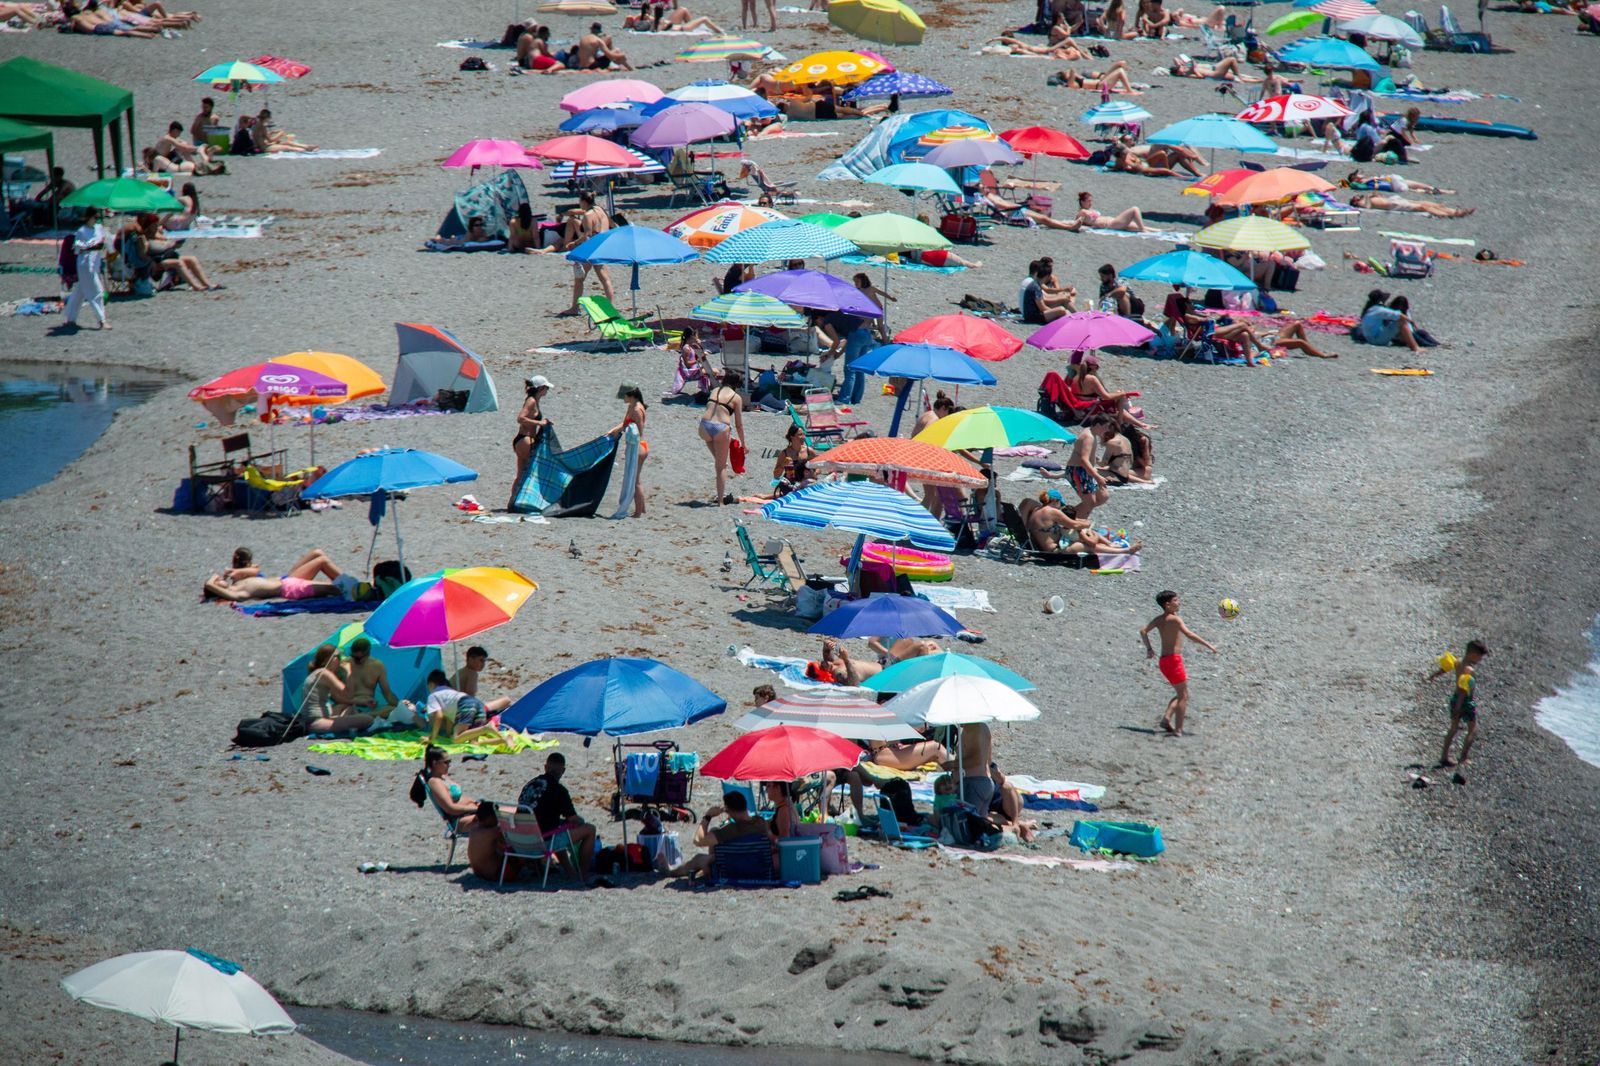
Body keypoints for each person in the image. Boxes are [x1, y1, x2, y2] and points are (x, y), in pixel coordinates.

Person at [1140, 590, 1218, 736]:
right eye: (1176, 600)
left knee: (1181, 693)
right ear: (1167, 604)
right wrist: (1209, 645)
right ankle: (1178, 729)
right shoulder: (1175, 620)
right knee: (1183, 696)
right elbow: (1189, 634)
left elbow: (1143, 631)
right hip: (1174, 661)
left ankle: (1167, 718)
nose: (1179, 602)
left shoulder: (1158, 619)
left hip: (1163, 662)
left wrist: (1149, 649)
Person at [518, 752, 598, 879]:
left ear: (545, 767)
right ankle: (582, 875)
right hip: (541, 842)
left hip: (520, 839)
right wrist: (582, 821)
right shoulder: (559, 790)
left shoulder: (530, 785)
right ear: (563, 771)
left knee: (558, 827)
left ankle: (570, 872)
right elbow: (573, 819)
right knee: (589, 829)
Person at [667, 791, 776, 880]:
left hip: (732, 870)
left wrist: (707, 816)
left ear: (728, 810)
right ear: (745, 805)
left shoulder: (729, 830)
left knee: (698, 858)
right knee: (708, 856)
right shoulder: (762, 823)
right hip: (759, 869)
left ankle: (670, 872)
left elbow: (698, 840)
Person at [202, 548, 348, 601]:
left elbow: (256, 571)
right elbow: (208, 584)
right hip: (290, 588)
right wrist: (214, 579)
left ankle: (353, 586)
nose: (220, 579)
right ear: (217, 591)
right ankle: (355, 587)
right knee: (324, 566)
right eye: (218, 582)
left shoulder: (236, 583)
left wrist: (236, 572)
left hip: (287, 580)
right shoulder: (236, 593)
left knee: (317, 553)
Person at [1429, 640, 1488, 771]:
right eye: (1480, 657)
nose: (1480, 660)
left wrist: (1434, 675)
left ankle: (1444, 756)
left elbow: (1445, 668)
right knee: (1473, 728)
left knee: (1453, 728)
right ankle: (1463, 757)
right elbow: (1463, 689)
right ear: (1473, 655)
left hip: (1455, 699)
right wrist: (1460, 706)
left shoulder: (1458, 662)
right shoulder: (1469, 670)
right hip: (1466, 701)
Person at [410, 747, 498, 833]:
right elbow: (450, 808)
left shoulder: (443, 777)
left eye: (449, 761)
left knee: (504, 815)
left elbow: (459, 798)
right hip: (459, 820)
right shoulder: (435, 782)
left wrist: (476, 803)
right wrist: (475, 808)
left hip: (470, 813)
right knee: (501, 822)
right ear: (434, 763)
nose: (449, 765)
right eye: (446, 762)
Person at [558, 191, 615, 314]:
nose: (579, 204)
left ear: (584, 201)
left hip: (592, 249)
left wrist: (575, 243)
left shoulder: (588, 215)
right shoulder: (601, 210)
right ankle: (611, 307)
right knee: (605, 279)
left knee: (579, 278)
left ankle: (574, 308)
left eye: (580, 201)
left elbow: (587, 235)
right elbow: (612, 225)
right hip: (603, 246)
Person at [699, 370, 747, 505]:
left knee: (721, 461)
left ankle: (722, 493)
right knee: (720, 467)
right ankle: (720, 501)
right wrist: (744, 444)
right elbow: (739, 425)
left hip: (704, 428)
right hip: (720, 429)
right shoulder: (736, 397)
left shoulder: (715, 391)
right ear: (737, 384)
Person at [140, 213, 221, 292]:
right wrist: (168, 245)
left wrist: (171, 243)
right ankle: (195, 286)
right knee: (177, 263)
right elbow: (143, 255)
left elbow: (164, 240)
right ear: (149, 226)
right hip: (154, 264)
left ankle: (207, 284)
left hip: (163, 258)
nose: (156, 227)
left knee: (191, 259)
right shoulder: (144, 238)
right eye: (154, 226)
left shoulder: (155, 234)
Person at [423, 669, 501, 745]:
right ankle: (504, 740)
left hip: (465, 704)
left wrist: (432, 737)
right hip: (477, 703)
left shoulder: (433, 695)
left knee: (456, 739)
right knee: (474, 743)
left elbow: (439, 716)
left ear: (431, 684)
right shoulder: (449, 692)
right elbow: (449, 719)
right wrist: (448, 735)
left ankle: (486, 728)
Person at [607, 384, 649, 518]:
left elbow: (639, 431)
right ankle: (642, 509)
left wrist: (628, 447)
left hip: (638, 447)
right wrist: (613, 430)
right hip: (634, 445)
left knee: (635, 480)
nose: (622, 399)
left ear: (630, 395)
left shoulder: (637, 409)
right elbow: (625, 424)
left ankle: (638, 513)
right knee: (636, 479)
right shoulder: (631, 406)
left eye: (624, 396)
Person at [64, 207, 109, 332]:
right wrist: (93, 246)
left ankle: (70, 318)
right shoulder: (81, 231)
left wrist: (102, 245)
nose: (97, 220)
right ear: (88, 217)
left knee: (80, 292)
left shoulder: (99, 228)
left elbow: (103, 241)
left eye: (98, 217)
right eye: (95, 217)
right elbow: (77, 248)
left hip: (95, 264)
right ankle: (102, 320)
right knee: (97, 292)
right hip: (85, 265)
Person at [509, 375, 552, 505]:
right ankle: (521, 501)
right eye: (546, 388)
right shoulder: (531, 401)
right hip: (525, 440)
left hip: (522, 441)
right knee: (530, 472)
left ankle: (513, 501)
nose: (547, 391)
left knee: (521, 474)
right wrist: (540, 424)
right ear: (541, 388)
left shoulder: (534, 400)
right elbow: (520, 418)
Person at [1064, 415, 1116, 520]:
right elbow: (1084, 460)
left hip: (1085, 471)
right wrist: (1097, 477)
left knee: (1102, 496)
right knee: (1090, 503)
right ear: (1097, 425)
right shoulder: (1089, 437)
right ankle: (1076, 527)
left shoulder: (1090, 432)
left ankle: (1066, 517)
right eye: (1105, 427)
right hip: (1078, 471)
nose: (1107, 430)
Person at [338, 637, 406, 716]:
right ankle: (364, 717)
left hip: (370, 707)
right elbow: (336, 693)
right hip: (350, 705)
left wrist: (400, 705)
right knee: (340, 708)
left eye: (359, 658)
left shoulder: (377, 666)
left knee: (394, 709)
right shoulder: (344, 665)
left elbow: (388, 694)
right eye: (354, 657)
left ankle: (366, 716)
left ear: (368, 653)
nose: (356, 660)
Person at [1355, 289, 1422, 352]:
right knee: (1401, 321)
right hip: (1375, 339)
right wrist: (1412, 322)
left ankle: (1407, 340)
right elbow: (1400, 315)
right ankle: (1415, 347)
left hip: (1369, 337)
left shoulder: (1371, 309)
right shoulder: (1379, 310)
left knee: (1394, 323)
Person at [466, 801, 517, 882]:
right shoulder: (494, 831)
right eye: (497, 816)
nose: (498, 819)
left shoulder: (473, 829)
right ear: (490, 818)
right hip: (495, 874)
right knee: (519, 852)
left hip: (477, 872)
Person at [453, 646, 512, 714]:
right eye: (481, 660)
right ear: (471, 659)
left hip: (452, 707)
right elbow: (470, 696)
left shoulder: (461, 671)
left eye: (484, 661)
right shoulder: (472, 673)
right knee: (506, 701)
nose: (483, 664)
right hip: (463, 711)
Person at [664, 327, 713, 400]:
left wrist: (699, 345)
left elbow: (699, 353)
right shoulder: (686, 348)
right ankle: (708, 391)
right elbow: (687, 364)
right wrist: (698, 360)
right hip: (690, 372)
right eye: (696, 336)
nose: (697, 338)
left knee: (712, 371)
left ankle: (708, 390)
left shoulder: (692, 345)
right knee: (712, 372)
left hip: (694, 369)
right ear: (691, 337)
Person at [1065, 191, 1147, 233]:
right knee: (1134, 209)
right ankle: (1143, 231)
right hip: (1111, 224)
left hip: (1113, 221)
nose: (1091, 203)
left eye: (1091, 201)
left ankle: (1155, 231)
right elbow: (1076, 221)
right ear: (1082, 202)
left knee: (1143, 227)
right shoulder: (1082, 212)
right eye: (1089, 201)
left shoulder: (1089, 210)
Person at [1348, 191, 1474, 219]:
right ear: (1355, 202)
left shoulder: (1368, 198)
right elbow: (1366, 207)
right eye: (1356, 198)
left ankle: (1455, 211)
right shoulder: (1365, 205)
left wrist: (1370, 195)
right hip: (1395, 206)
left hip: (1397, 201)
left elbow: (1378, 195)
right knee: (1423, 207)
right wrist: (1365, 199)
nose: (1358, 196)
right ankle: (1449, 215)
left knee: (1429, 203)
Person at [772, 423, 817, 495]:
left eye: (803, 434)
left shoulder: (809, 451)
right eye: (800, 435)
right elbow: (776, 475)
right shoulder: (785, 453)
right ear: (792, 436)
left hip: (805, 483)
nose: (803, 437)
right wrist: (783, 465)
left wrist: (813, 474)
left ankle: (769, 496)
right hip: (790, 483)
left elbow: (820, 466)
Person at [958, 721, 994, 809]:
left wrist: (951, 764)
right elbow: (988, 759)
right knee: (980, 818)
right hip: (985, 781)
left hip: (974, 782)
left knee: (970, 817)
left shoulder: (974, 729)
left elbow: (976, 759)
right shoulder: (982, 727)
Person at [1046, 61, 1141, 93]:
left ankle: (1128, 81)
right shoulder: (1073, 84)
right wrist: (1070, 72)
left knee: (1120, 64)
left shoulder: (1076, 80)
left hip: (1101, 81)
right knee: (1120, 71)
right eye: (1065, 74)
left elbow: (1073, 71)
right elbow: (1072, 70)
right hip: (1100, 85)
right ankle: (1129, 90)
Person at [1344, 170, 1455, 196]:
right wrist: (1372, 178)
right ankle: (1444, 192)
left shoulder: (1368, 180)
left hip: (1394, 183)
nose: (1360, 174)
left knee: (1420, 186)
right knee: (1417, 188)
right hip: (1394, 185)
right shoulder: (1363, 182)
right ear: (1355, 178)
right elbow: (1353, 185)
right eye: (1357, 174)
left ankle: (1444, 191)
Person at [1169, 54, 1262, 82]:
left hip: (1214, 68)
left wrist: (1184, 65)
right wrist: (1194, 70)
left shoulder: (1185, 69)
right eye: (1179, 68)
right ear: (1178, 73)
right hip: (1215, 74)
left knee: (1243, 77)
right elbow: (1200, 77)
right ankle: (1240, 77)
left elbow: (1175, 58)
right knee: (1232, 60)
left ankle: (1261, 80)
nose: (1180, 67)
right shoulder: (1188, 74)